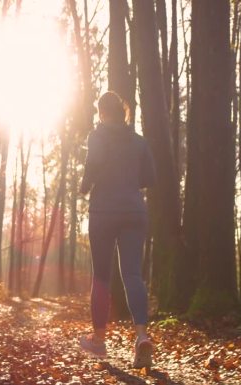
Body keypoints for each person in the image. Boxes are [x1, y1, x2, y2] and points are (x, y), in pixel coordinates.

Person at [78, 91, 156, 369]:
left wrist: (84, 186)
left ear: (101, 113)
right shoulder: (138, 141)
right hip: (135, 211)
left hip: (103, 211)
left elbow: (92, 165)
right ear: (123, 113)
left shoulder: (97, 136)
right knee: (133, 274)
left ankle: (99, 340)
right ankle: (142, 336)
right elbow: (150, 178)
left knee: (101, 276)